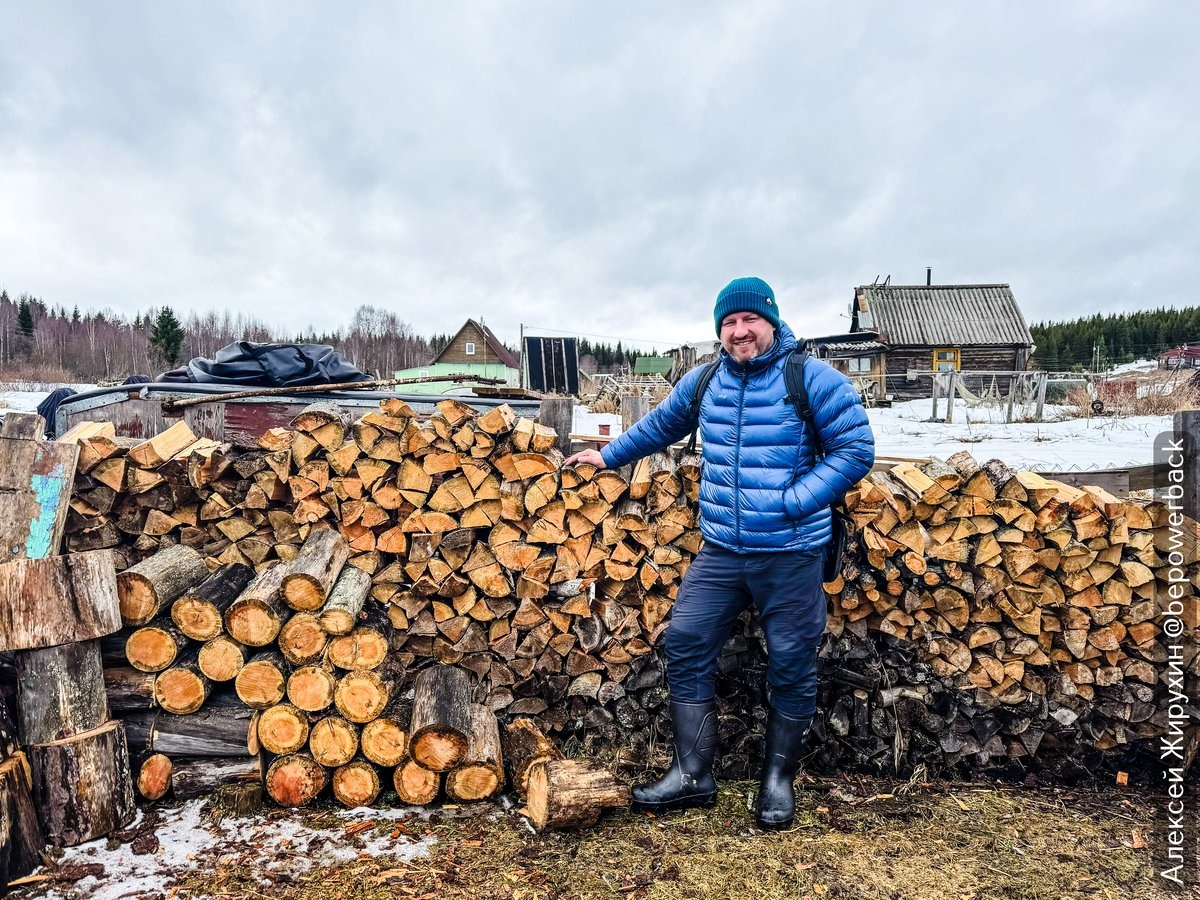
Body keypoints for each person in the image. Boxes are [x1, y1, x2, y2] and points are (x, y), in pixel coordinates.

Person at [564, 276, 875, 829]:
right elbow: (662, 424)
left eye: (748, 320)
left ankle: (777, 782)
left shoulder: (813, 379)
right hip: (723, 550)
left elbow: (856, 449)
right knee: (684, 640)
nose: (738, 332)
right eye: (728, 323)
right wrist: (608, 456)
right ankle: (693, 776)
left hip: (792, 551)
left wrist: (795, 500)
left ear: (772, 322)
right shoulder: (706, 379)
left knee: (791, 663)